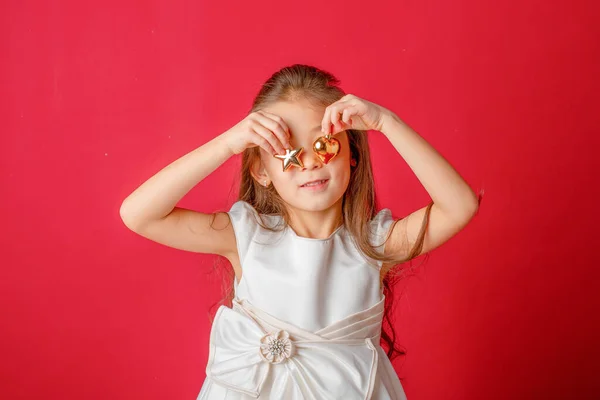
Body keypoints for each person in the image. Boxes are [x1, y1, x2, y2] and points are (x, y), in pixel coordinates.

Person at [119, 64, 481, 399]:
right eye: (286, 150)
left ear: (351, 154)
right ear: (262, 172)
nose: (307, 162)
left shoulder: (376, 244)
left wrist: (388, 122)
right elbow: (140, 215)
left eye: (323, 144)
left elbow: (459, 206)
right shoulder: (245, 235)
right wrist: (227, 143)